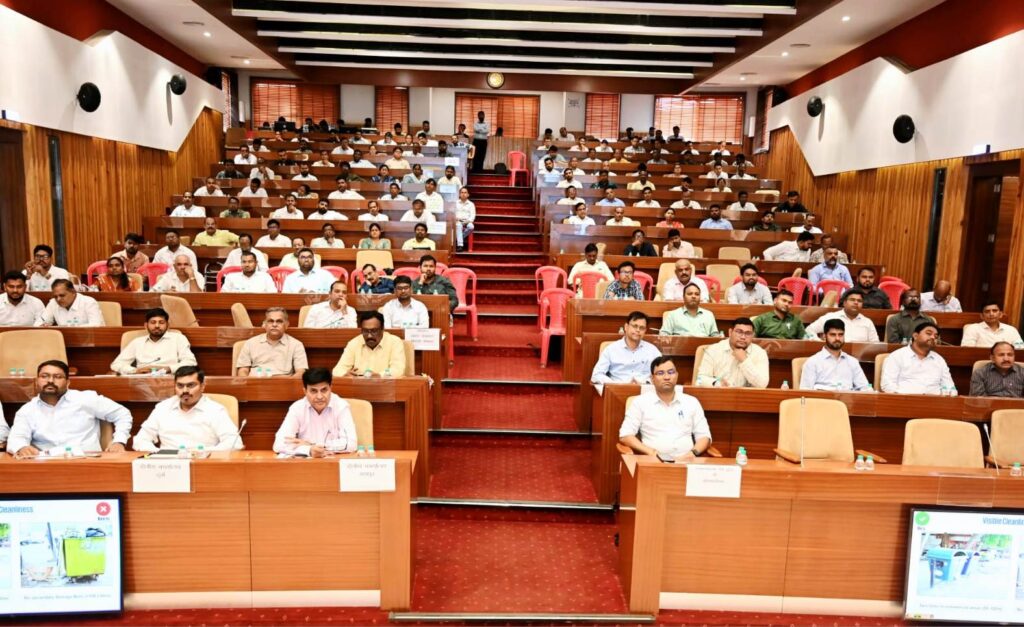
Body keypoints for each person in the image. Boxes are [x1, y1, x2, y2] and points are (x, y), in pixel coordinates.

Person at [6, 360, 132, 457]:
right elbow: (16, 437)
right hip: (46, 465)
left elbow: (122, 414)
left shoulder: (86, 399)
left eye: (57, 377)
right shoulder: (27, 410)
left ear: (67, 382)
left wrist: (119, 441)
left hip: (87, 461)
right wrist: (21, 447)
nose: (50, 380)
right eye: (44, 376)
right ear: (37, 381)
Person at [618, 356, 712, 458]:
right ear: (652, 379)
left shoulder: (691, 402)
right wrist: (651, 452)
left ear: (677, 375)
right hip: (653, 461)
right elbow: (625, 435)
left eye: (671, 372)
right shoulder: (640, 402)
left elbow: (704, 436)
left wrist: (693, 453)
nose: (667, 377)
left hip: (687, 460)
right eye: (660, 373)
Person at [132, 366, 242, 452]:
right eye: (180, 386)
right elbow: (140, 440)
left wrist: (203, 452)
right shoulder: (163, 408)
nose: (185, 391)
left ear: (202, 386)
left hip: (202, 462)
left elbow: (234, 443)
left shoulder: (215, 410)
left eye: (191, 385)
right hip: (168, 465)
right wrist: (159, 453)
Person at [273, 367, 359, 457]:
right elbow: (279, 444)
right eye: (313, 391)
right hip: (307, 462)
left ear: (330, 388)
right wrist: (309, 450)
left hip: (333, 461)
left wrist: (313, 445)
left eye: (324, 390)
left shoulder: (341, 406)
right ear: (305, 391)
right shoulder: (297, 408)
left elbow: (351, 444)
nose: (319, 396)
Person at [880, 321, 954, 394]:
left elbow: (950, 387)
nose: (933, 337)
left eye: (936, 336)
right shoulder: (897, 356)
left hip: (935, 400)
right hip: (904, 399)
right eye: (928, 333)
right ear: (915, 336)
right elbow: (888, 385)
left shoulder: (939, 360)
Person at [799, 319, 871, 391]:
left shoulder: (852, 362)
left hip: (848, 397)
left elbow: (866, 389)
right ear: (824, 336)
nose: (837, 338)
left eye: (840, 334)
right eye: (833, 335)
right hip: (822, 398)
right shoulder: (812, 362)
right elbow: (805, 392)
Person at [695, 319, 769, 388]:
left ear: (752, 335)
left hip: (746, 396)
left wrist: (744, 361)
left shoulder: (759, 353)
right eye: (739, 332)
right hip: (719, 394)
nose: (743, 337)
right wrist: (717, 383)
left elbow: (762, 385)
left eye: (748, 333)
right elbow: (699, 380)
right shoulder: (714, 350)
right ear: (730, 332)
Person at [590, 312, 662, 384]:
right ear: (626, 327)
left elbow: (662, 372)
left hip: (645, 388)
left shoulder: (652, 350)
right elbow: (596, 375)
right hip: (618, 388)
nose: (638, 330)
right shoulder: (611, 349)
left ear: (645, 331)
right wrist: (616, 385)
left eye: (642, 328)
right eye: (635, 326)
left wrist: (646, 382)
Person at [235, 308, 308, 377]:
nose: (274, 325)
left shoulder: (296, 345)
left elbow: (301, 372)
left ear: (286, 325)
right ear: (264, 324)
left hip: (283, 384)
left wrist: (289, 382)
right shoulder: (250, 343)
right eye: (270, 321)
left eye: (279, 321)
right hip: (255, 383)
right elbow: (243, 370)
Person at [335, 311, 407, 376]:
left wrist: (379, 375)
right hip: (360, 385)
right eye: (365, 331)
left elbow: (398, 370)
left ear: (382, 329)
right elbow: (337, 370)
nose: (369, 335)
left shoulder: (395, 342)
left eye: (374, 331)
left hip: (386, 385)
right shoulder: (354, 343)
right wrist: (345, 374)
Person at [805, 289, 879, 342]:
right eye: (852, 300)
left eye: (859, 301)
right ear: (844, 303)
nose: (856, 303)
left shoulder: (867, 322)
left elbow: (875, 343)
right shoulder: (831, 317)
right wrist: (819, 342)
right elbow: (808, 331)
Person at [34, 280, 104, 327]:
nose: (58, 299)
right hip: (63, 341)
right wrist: (42, 325)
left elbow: (96, 325)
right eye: (55, 296)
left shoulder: (89, 302)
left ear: (73, 292)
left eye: (62, 295)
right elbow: (39, 322)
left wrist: (70, 329)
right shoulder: (53, 303)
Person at [455, 187, 475, 251]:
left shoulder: (471, 204)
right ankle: (460, 245)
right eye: (462, 192)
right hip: (458, 220)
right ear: (459, 194)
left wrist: (468, 221)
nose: (463, 194)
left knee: (471, 227)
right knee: (458, 225)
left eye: (465, 192)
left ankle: (458, 238)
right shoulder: (455, 203)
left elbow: (473, 215)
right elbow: (452, 212)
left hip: (467, 221)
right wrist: (455, 218)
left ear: (468, 194)